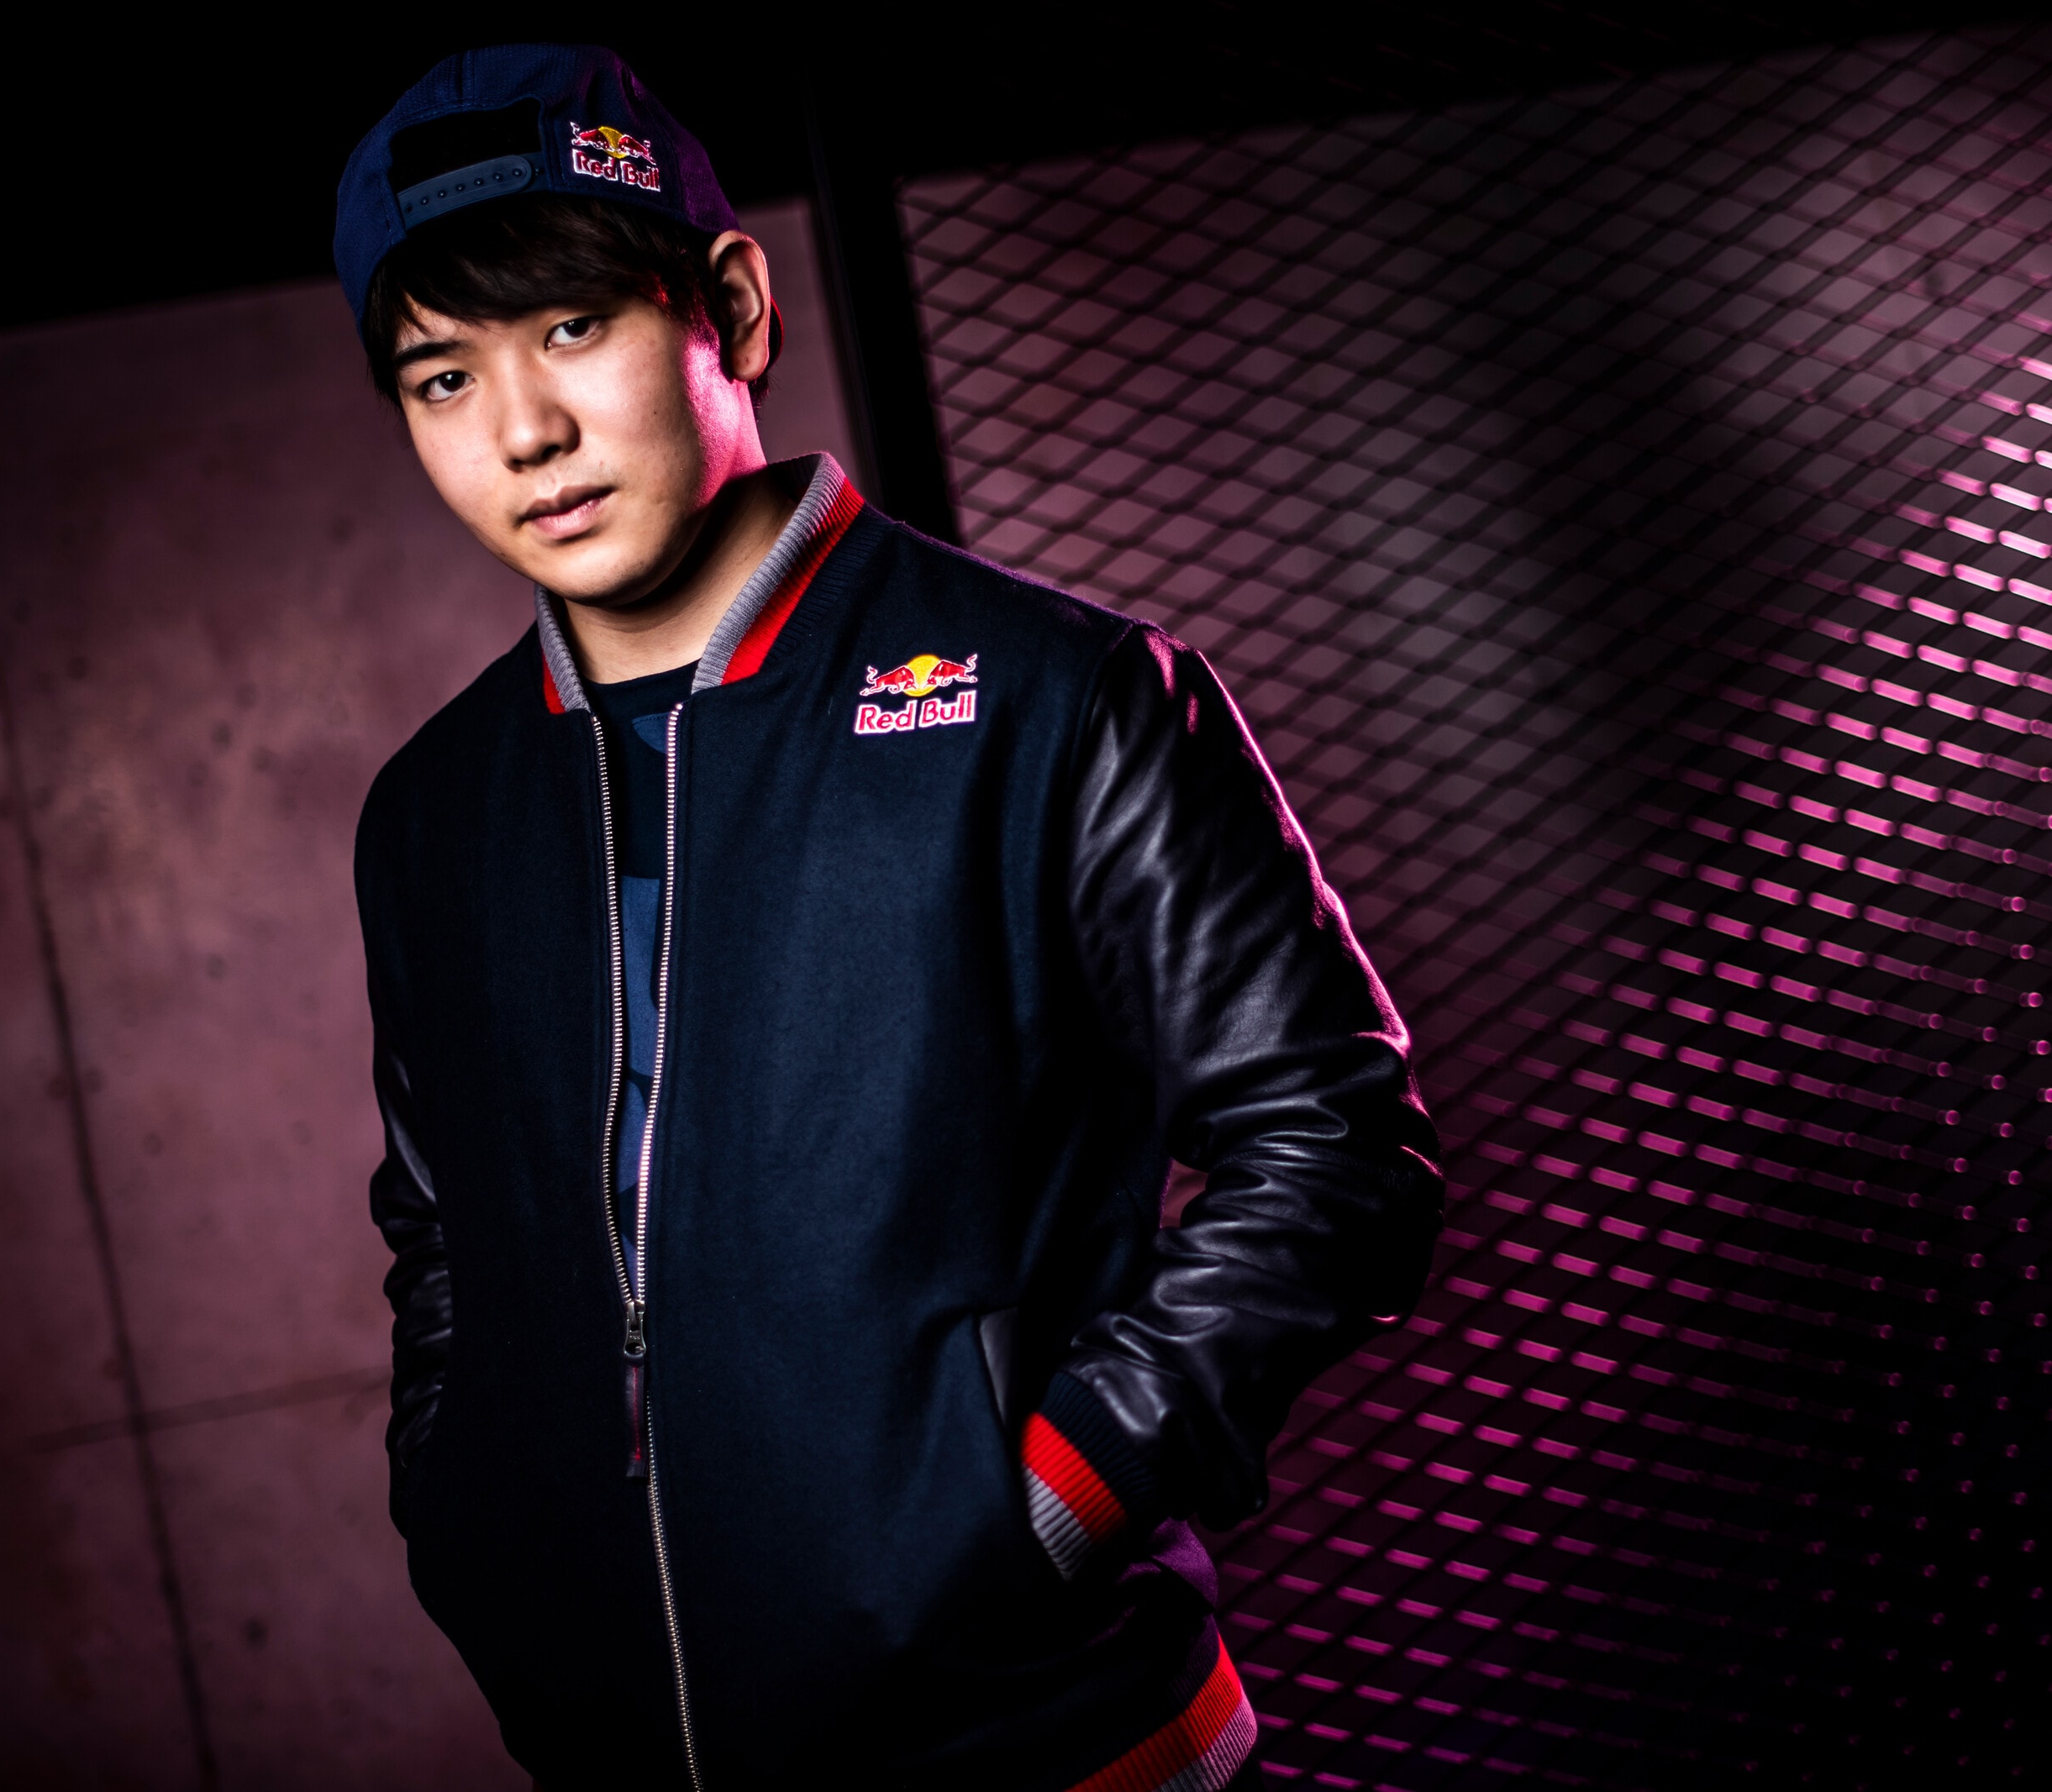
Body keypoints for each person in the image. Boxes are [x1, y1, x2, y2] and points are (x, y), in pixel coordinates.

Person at [339, 45, 1442, 1792]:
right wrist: (471, 1524)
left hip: (1058, 1743)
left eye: (572, 328)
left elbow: (1338, 1145)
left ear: (728, 308)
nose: (524, 431)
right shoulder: (432, 814)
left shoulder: (1055, 694)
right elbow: (441, 1234)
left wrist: (1048, 1501)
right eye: (443, 376)